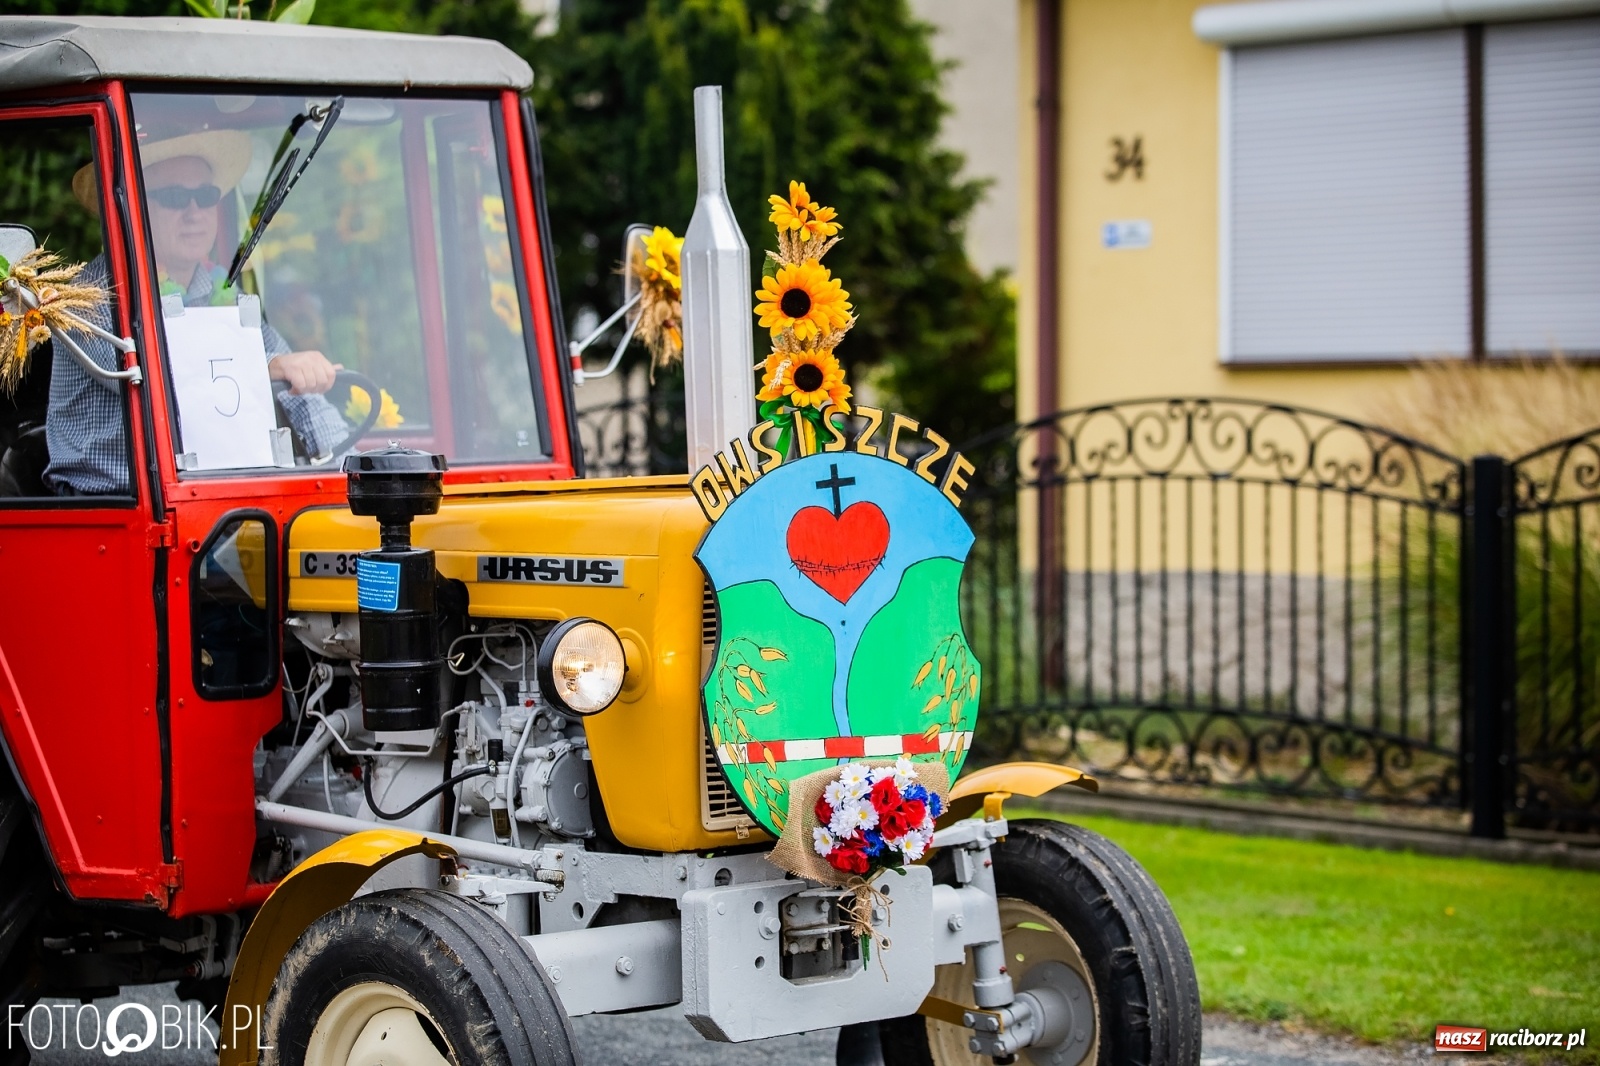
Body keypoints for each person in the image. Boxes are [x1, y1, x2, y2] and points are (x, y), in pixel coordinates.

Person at [47, 130, 347, 496]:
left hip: (211, 501)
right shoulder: (86, 296)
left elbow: (294, 389)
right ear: (132, 207)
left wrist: (351, 466)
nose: (195, 213)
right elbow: (156, 376)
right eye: (175, 198)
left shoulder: (220, 291)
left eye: (205, 197)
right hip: (109, 513)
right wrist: (268, 369)